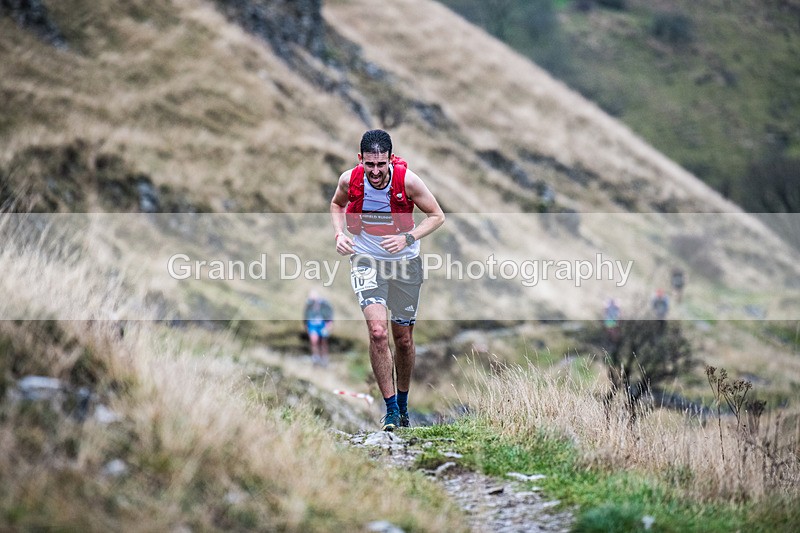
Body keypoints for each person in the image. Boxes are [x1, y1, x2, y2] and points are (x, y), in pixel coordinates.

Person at [330, 129, 445, 431]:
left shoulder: (408, 181)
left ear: (390, 160)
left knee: (403, 340)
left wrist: (407, 238)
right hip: (366, 260)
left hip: (405, 263)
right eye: (370, 165)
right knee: (378, 332)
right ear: (361, 160)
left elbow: (436, 215)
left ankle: (404, 406)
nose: (376, 171)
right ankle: (391, 410)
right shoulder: (349, 179)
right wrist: (340, 234)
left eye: (381, 164)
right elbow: (336, 205)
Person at [304, 290, 334, 367]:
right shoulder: (309, 305)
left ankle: (324, 358)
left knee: (323, 342)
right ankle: (315, 358)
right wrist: (306, 325)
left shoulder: (324, 304)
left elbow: (329, 314)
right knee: (314, 341)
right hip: (312, 324)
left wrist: (329, 324)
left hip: (323, 324)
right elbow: (306, 315)